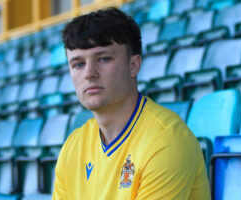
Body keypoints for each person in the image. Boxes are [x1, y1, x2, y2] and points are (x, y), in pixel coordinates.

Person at [52, 7, 211, 200]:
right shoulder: (73, 146)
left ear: (133, 65)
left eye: (103, 59)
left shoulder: (167, 140)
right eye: (78, 64)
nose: (89, 73)